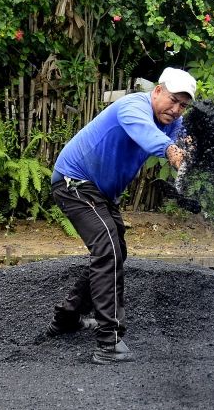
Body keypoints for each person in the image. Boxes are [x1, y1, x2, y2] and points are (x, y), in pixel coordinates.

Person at [47, 67, 196, 364]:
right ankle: (109, 343)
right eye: (172, 100)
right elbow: (148, 134)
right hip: (75, 182)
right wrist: (171, 151)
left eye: (183, 105)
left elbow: (186, 138)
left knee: (116, 251)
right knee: (108, 251)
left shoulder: (172, 121)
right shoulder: (133, 107)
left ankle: (67, 318)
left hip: (101, 193)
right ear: (156, 90)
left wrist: (196, 148)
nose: (176, 109)